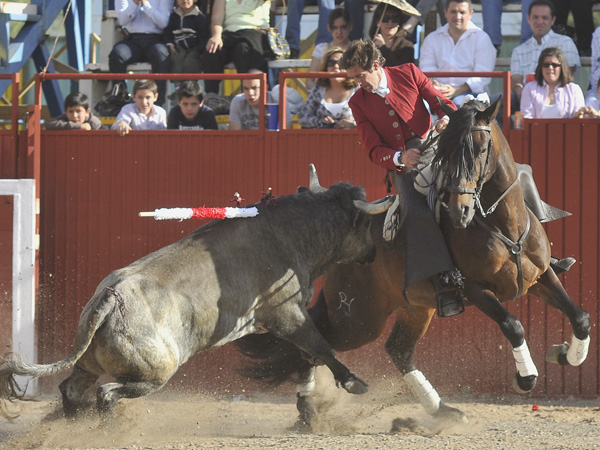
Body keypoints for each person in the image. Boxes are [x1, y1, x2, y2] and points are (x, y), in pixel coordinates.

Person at [339, 39, 465, 318]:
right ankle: (444, 282)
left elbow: (440, 102)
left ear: (375, 65)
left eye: (360, 75)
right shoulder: (357, 102)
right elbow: (373, 149)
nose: (359, 83)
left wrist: (450, 119)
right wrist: (399, 158)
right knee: (416, 211)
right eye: (353, 78)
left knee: (476, 178)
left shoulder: (408, 71)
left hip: (435, 144)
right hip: (404, 164)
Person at [419, 0, 496, 108]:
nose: (457, 16)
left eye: (462, 12)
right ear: (445, 12)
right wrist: (434, 84)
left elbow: (482, 76)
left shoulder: (482, 38)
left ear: (471, 14)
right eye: (453, 12)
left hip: (471, 96)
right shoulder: (432, 38)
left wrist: (456, 91)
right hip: (436, 93)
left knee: (458, 105)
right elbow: (426, 69)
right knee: (417, 106)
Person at [510, 0, 580, 107]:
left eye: (545, 18)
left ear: (553, 20)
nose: (539, 21)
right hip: (525, 96)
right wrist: (520, 91)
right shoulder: (518, 50)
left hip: (558, 94)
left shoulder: (565, 42)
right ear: (528, 19)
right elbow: (516, 79)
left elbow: (567, 75)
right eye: (535, 17)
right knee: (498, 102)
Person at [109, 0, 173, 106]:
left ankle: (158, 102)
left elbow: (163, 23)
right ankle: (120, 98)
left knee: (161, 55)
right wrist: (134, 4)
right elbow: (122, 21)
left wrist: (145, 4)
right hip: (132, 39)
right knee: (117, 55)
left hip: (155, 39)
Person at [203, 0, 272, 94]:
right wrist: (216, 35)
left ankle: (249, 93)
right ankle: (212, 95)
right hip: (230, 34)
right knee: (212, 49)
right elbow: (216, 21)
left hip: (254, 31)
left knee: (243, 49)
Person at [297, 48, 357, 129]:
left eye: (341, 63)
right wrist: (319, 121)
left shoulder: (357, 90)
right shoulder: (318, 89)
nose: (336, 66)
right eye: (331, 63)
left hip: (352, 141)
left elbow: (370, 119)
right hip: (320, 140)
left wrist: (353, 124)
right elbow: (303, 118)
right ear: (326, 67)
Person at [520, 47, 586, 119]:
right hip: (537, 130)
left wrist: (579, 115)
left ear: (562, 67)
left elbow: (579, 120)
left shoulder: (574, 90)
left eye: (554, 65)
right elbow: (527, 118)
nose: (550, 67)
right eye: (546, 64)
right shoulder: (530, 88)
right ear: (540, 67)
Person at [306, 8, 353, 90]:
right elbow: (310, 80)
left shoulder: (357, 49)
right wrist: (322, 93)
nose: (339, 32)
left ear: (350, 26)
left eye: (343, 27)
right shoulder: (320, 48)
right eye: (334, 28)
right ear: (328, 27)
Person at [163, 0, 210, 75]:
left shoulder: (199, 17)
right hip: (179, 47)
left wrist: (200, 51)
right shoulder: (174, 15)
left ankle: (190, 84)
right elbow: (168, 32)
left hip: (195, 48)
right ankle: (177, 84)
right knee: (176, 59)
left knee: (190, 61)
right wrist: (170, 44)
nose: (185, 1)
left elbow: (203, 37)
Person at [368, 3, 414, 68]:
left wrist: (383, 47)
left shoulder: (407, 46)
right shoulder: (369, 46)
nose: (390, 22)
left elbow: (401, 70)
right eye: (385, 19)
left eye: (395, 19)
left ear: (399, 23)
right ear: (378, 21)